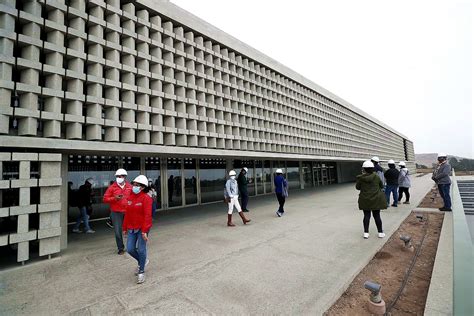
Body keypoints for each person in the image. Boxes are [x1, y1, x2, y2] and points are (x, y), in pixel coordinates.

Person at [123, 175, 153, 284]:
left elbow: (148, 216)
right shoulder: (130, 198)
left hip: (142, 228)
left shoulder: (146, 198)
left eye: (137, 185)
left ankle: (141, 271)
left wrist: (145, 230)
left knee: (141, 249)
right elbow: (127, 214)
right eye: (134, 184)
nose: (134, 186)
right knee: (130, 249)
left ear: (143, 187)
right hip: (131, 227)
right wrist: (125, 228)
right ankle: (143, 261)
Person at [103, 168, 132, 254]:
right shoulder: (112, 187)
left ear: (125, 177)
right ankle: (120, 248)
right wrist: (114, 198)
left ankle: (131, 247)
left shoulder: (129, 186)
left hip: (127, 212)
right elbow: (105, 199)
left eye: (121, 176)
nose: (119, 177)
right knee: (117, 231)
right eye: (117, 176)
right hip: (116, 212)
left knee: (131, 230)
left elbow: (134, 197)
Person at [356, 160, 387, 239]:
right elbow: (382, 186)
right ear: (372, 168)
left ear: (364, 169)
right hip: (376, 198)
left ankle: (366, 233)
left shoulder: (361, 178)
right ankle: (380, 232)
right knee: (377, 216)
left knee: (366, 216)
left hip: (365, 199)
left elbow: (357, 187)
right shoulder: (376, 177)